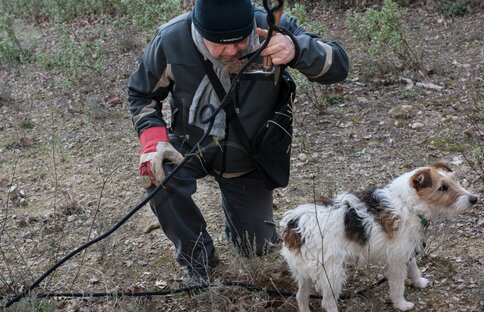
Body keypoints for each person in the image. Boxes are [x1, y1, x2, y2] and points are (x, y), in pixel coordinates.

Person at [127, 0, 349, 284]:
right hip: (190, 144)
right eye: (219, 44)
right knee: (159, 176)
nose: (232, 51)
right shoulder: (172, 39)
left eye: (241, 41)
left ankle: (240, 219)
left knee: (255, 247)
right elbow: (141, 95)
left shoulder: (270, 26)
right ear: (198, 29)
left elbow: (338, 65)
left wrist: (296, 49)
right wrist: (153, 141)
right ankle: (198, 262)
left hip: (249, 155)